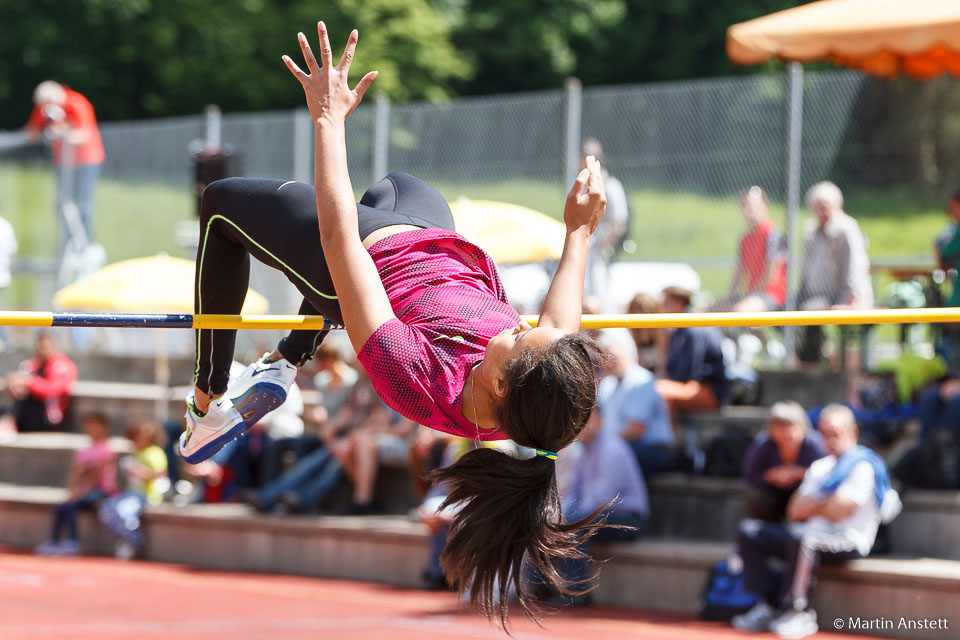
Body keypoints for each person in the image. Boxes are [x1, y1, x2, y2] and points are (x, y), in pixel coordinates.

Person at [176, 24, 610, 620]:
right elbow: (559, 322)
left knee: (221, 203)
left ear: (502, 383)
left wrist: (328, 123)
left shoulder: (416, 381)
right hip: (431, 239)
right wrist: (579, 229)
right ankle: (284, 364)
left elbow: (339, 241)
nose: (515, 327)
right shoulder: (545, 393)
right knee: (396, 186)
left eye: (514, 335)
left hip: (366, 261)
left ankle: (206, 400)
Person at [732, 405, 900, 639]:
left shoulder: (863, 465)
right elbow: (794, 512)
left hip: (849, 540)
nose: (829, 439)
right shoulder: (821, 466)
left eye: (836, 432)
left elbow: (839, 512)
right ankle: (768, 605)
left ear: (852, 432)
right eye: (824, 432)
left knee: (804, 539)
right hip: (808, 535)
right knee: (750, 531)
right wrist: (825, 502)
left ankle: (799, 611)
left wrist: (814, 502)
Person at [546, 406, 648, 603]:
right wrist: (557, 517)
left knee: (576, 524)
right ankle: (539, 588)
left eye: (587, 419)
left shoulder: (613, 449)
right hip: (600, 515)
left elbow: (600, 500)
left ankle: (577, 592)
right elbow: (573, 494)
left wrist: (566, 519)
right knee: (549, 524)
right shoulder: (583, 452)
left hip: (628, 520)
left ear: (601, 420)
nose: (581, 425)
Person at [795, 181, 873, 364]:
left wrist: (850, 299)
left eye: (825, 206)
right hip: (817, 296)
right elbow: (805, 268)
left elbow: (854, 267)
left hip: (842, 297)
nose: (822, 211)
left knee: (811, 313)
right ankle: (814, 359)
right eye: (817, 206)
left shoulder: (846, 229)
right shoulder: (810, 232)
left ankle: (815, 362)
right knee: (795, 312)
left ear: (838, 206)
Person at [24, 81, 105, 246]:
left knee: (83, 205)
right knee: (63, 204)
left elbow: (85, 134)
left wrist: (62, 133)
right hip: (63, 162)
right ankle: (67, 242)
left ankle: (85, 245)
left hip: (86, 160)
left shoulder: (76, 103)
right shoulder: (47, 109)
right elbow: (31, 132)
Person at [35, 413, 117, 556]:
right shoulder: (83, 451)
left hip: (101, 492)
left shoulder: (106, 449)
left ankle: (73, 542)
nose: (92, 429)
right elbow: (75, 473)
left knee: (70, 507)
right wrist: (73, 491)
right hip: (83, 491)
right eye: (89, 426)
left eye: (96, 426)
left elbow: (97, 475)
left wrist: (81, 491)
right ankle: (53, 541)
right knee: (63, 506)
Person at [596, 329, 674, 475]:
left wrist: (603, 448)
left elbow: (636, 429)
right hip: (625, 447)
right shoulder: (608, 385)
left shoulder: (641, 380)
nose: (605, 362)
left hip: (651, 450)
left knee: (611, 458)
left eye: (609, 356)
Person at [741, 401, 826, 522]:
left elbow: (827, 476)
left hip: (804, 494)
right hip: (773, 495)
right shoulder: (763, 444)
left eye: (791, 426)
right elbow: (750, 476)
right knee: (755, 495)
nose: (787, 432)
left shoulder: (816, 445)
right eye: (780, 426)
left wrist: (801, 474)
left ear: (802, 427)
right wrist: (770, 476)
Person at [99, 418, 169, 560]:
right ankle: (124, 539)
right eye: (137, 436)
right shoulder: (135, 453)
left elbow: (160, 474)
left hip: (147, 495)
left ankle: (135, 542)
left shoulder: (154, 452)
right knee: (106, 509)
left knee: (124, 511)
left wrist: (139, 471)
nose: (140, 439)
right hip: (131, 493)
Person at [655, 287, 727, 420]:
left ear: (678, 303)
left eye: (666, 303)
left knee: (659, 391)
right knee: (654, 389)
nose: (663, 308)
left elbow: (692, 372)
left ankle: (664, 440)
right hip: (693, 385)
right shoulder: (681, 329)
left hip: (708, 390)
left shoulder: (694, 328)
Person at [713, 186, 787, 313]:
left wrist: (749, 295)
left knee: (739, 312)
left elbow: (769, 275)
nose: (750, 209)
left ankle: (751, 332)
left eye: (754, 205)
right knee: (714, 310)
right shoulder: (745, 239)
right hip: (751, 293)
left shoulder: (772, 233)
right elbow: (738, 273)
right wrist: (728, 297)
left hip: (772, 294)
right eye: (745, 205)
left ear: (765, 206)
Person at [581, 138, 630, 312]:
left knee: (601, 295)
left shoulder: (611, 186)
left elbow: (619, 223)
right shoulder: (579, 185)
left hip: (599, 253)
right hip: (584, 250)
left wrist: (601, 249)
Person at [4, 331, 77, 432]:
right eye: (41, 346)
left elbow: (52, 390)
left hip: (49, 416)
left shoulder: (63, 365)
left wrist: (28, 382)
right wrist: (12, 381)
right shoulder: (33, 364)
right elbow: (19, 376)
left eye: (46, 346)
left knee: (27, 398)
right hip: (30, 415)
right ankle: (8, 422)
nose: (43, 350)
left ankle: (9, 423)